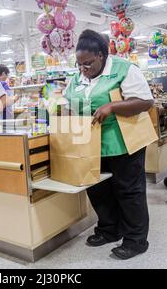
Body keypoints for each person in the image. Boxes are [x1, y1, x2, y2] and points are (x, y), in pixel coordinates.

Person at [63, 29, 154, 260]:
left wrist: (112, 107)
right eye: (80, 64)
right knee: (99, 189)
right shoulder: (78, 76)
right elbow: (68, 101)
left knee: (128, 191)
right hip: (91, 144)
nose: (83, 68)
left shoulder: (125, 70)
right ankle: (109, 229)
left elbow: (145, 102)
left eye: (88, 63)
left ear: (102, 56)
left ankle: (135, 240)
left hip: (124, 141)